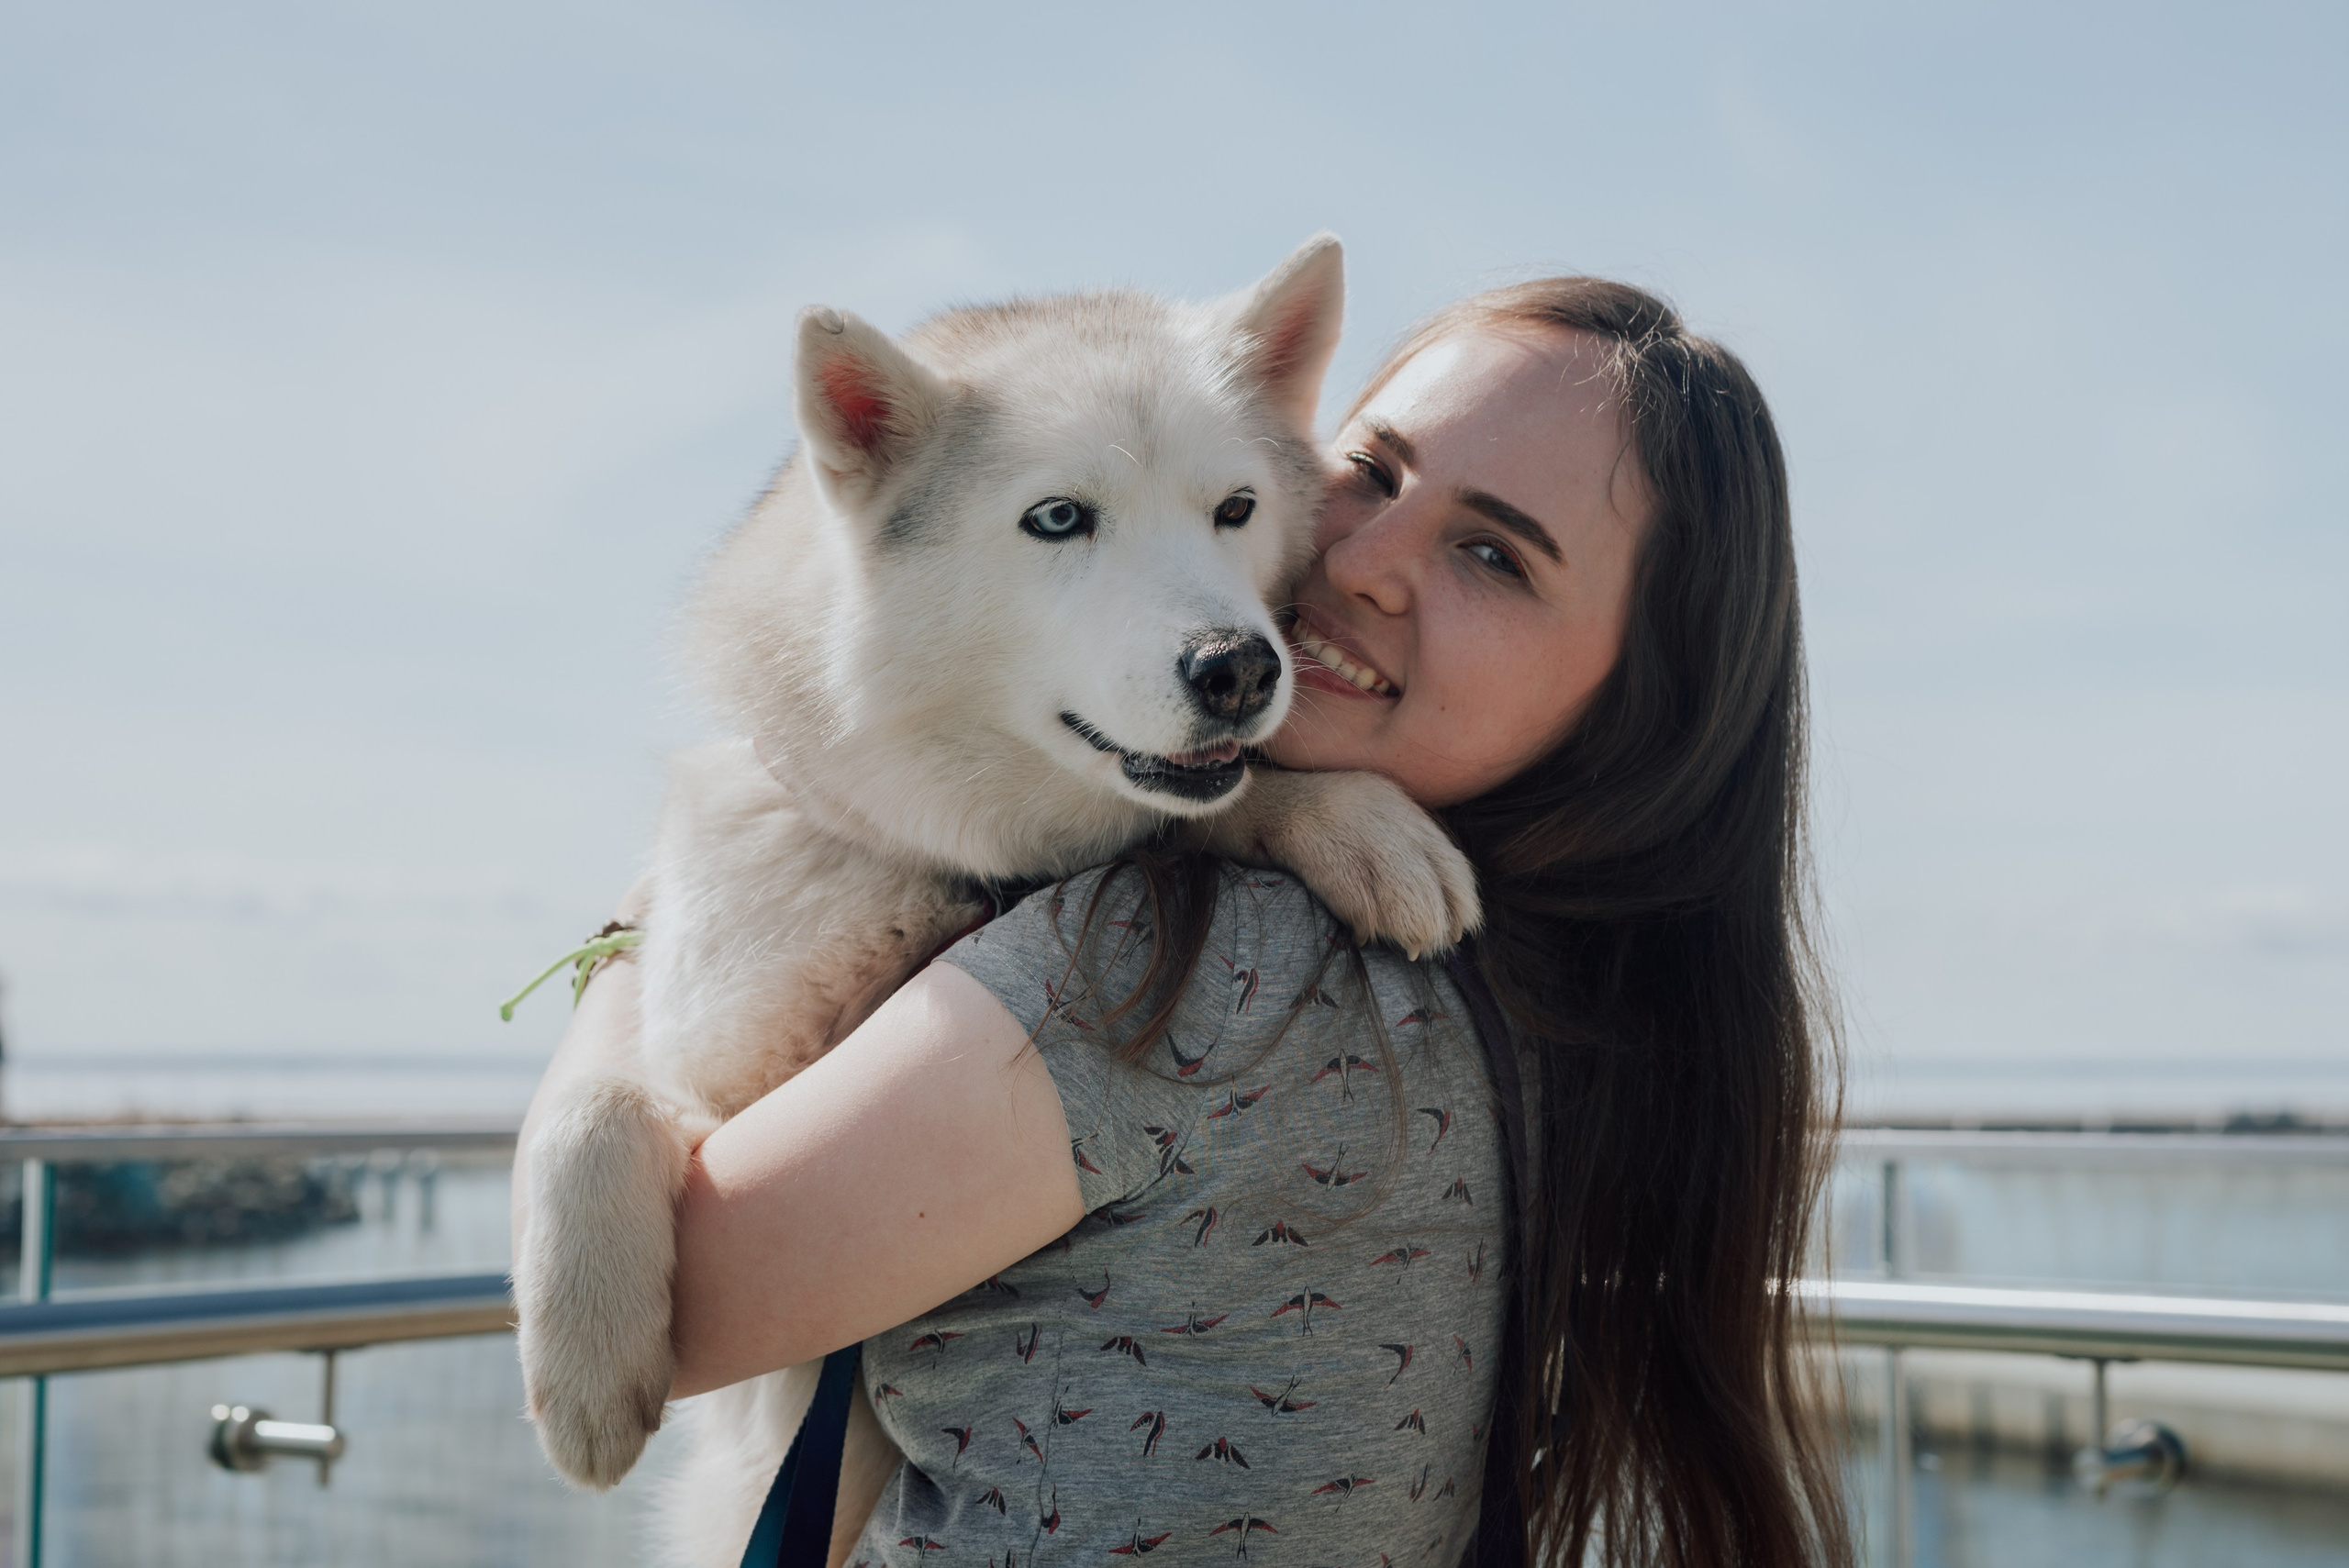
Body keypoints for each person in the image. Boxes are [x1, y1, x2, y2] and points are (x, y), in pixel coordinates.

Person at [521, 277, 1849, 1568]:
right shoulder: (1556, 997)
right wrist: (1261, 807)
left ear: (1642, 700)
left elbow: (681, 1301)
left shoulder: (1195, 976)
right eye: (1373, 475)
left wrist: (620, 965)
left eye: (1493, 555)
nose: (1367, 562)